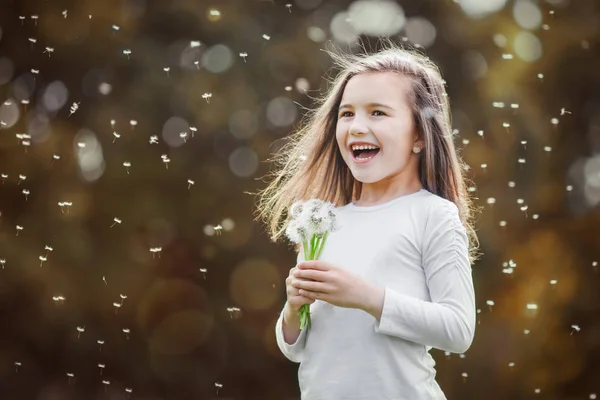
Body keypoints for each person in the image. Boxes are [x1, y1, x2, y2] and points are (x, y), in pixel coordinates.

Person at [253, 39, 481, 400]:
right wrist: (294, 307)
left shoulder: (432, 215)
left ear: (419, 134)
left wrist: (366, 297)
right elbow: (296, 349)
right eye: (347, 113)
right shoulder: (322, 223)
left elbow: (458, 329)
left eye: (377, 112)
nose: (357, 127)